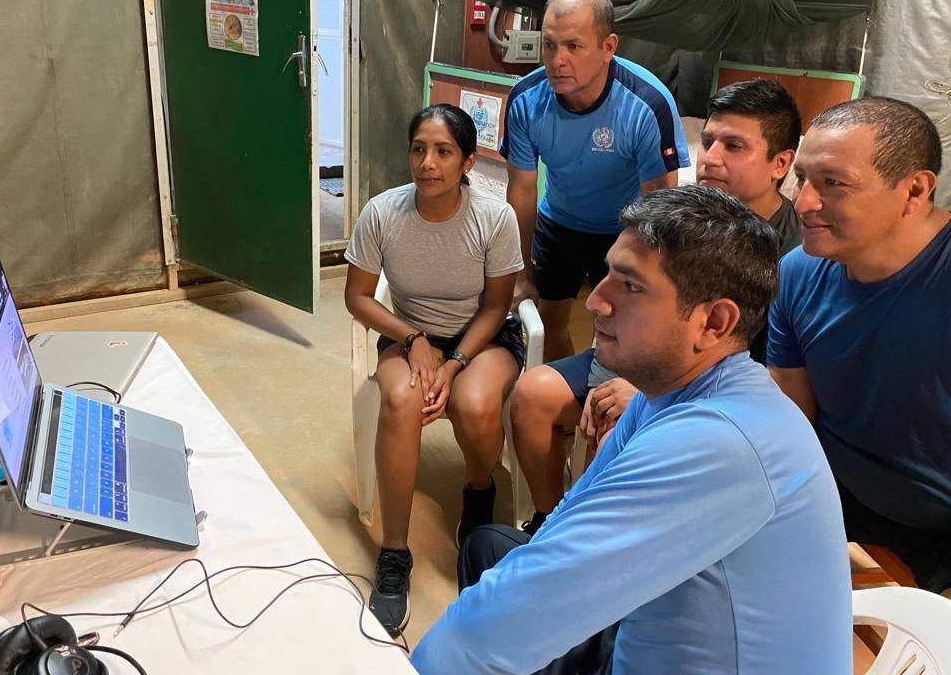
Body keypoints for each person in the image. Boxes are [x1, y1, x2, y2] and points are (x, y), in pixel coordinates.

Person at [411, 187, 852, 675]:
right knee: (492, 552)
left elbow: (501, 625)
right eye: (606, 275)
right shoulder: (662, 393)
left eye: (630, 285)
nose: (596, 301)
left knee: (494, 618)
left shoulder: (722, 442)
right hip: (641, 637)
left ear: (713, 322)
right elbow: (567, 524)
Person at [510, 78, 803, 532]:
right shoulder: (683, 217)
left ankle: (594, 544)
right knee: (531, 396)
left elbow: (767, 377)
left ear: (780, 163)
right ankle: (549, 522)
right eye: (708, 141)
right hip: (642, 356)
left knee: (618, 433)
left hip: (704, 391)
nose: (711, 158)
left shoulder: (792, 258)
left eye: (734, 146)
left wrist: (651, 395)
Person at [344, 104, 525, 636]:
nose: (428, 163)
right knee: (400, 398)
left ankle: (478, 492)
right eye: (419, 149)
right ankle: (394, 556)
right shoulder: (382, 212)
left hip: (481, 336)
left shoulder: (494, 217)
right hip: (411, 332)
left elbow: (496, 307)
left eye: (444, 151)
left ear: (468, 161)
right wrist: (414, 338)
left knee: (472, 401)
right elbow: (357, 297)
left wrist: (456, 362)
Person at [768, 96, 951, 594]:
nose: (803, 201)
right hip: (833, 499)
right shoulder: (798, 273)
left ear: (914, 190)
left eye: (833, 184)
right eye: (802, 178)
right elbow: (790, 411)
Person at [502, 0, 689, 363]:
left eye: (574, 46)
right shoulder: (525, 99)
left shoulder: (646, 104)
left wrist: (647, 272)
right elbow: (521, 189)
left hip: (625, 231)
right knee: (551, 321)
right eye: (549, 45)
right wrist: (520, 271)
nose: (558, 61)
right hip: (559, 224)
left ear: (608, 47)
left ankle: (613, 412)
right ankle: (560, 408)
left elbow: (657, 205)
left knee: (625, 328)